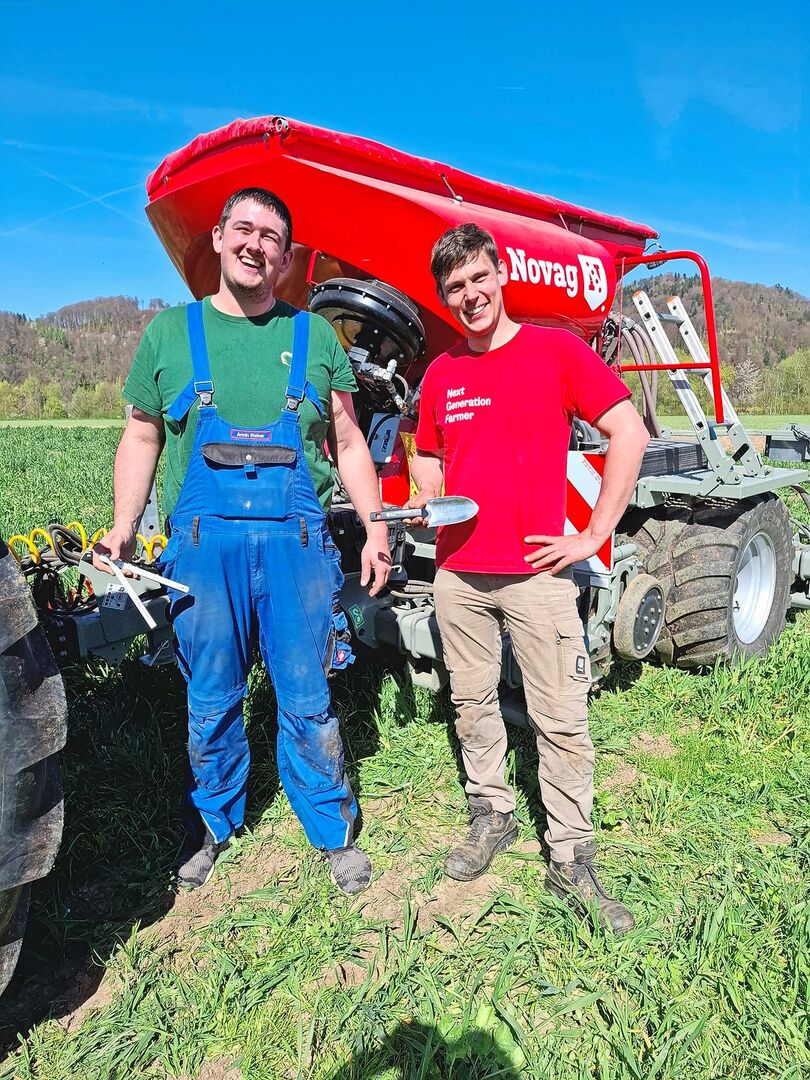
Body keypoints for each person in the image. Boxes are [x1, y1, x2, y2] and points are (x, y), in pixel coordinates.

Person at [95, 187, 391, 894]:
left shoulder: (314, 336)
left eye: (272, 238)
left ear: (285, 259)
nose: (256, 245)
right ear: (220, 238)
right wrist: (124, 525)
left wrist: (376, 525)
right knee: (211, 697)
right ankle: (213, 821)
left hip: (297, 547)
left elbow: (349, 439)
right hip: (203, 550)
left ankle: (331, 828)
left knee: (308, 694)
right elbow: (141, 435)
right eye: (244, 229)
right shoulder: (170, 333)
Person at [407, 223, 649, 933]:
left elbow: (629, 432)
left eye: (479, 278)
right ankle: (492, 812)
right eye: (455, 287)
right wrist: (429, 494)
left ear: (501, 275)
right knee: (471, 702)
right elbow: (428, 453)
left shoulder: (555, 350)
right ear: (446, 297)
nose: (470, 295)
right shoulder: (442, 373)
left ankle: (571, 855)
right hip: (458, 574)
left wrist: (594, 532)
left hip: (537, 574)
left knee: (560, 717)